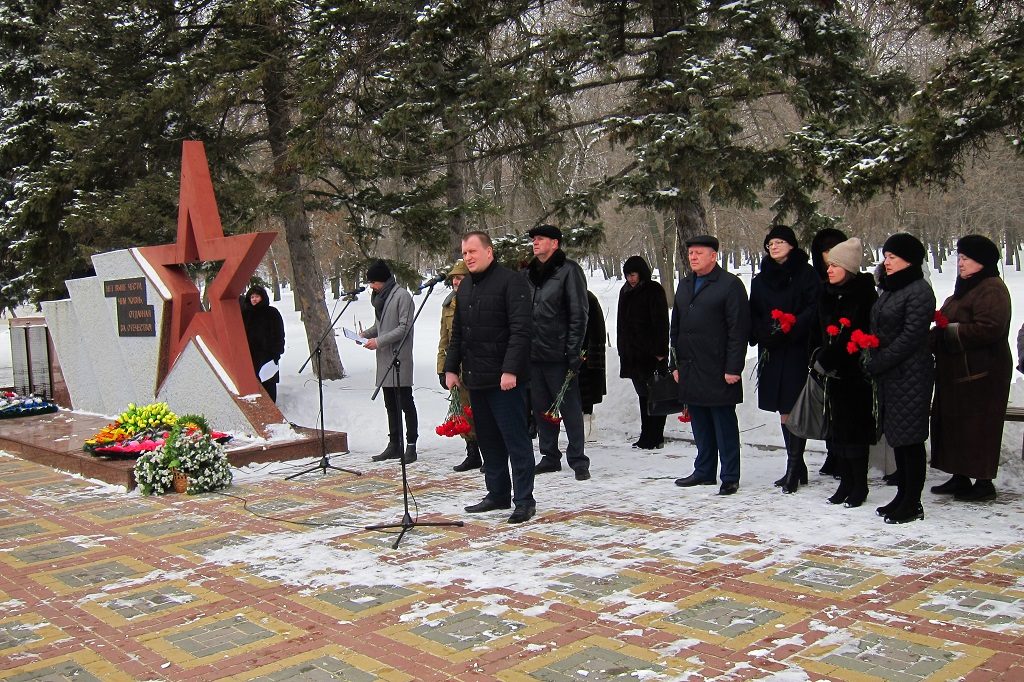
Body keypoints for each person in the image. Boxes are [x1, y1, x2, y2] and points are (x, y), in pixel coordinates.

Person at [444, 231, 536, 524]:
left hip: (505, 381)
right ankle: (497, 493)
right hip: (476, 378)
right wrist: (450, 368)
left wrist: (510, 369)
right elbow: (458, 333)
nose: (468, 257)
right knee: (488, 441)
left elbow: (521, 330)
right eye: (464, 253)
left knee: (515, 441)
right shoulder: (466, 287)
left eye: (472, 251)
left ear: (489, 252)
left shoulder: (511, 282)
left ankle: (524, 500)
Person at [930, 235, 1013, 502]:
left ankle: (983, 482)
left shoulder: (992, 289)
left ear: (982, 262)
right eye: (960, 258)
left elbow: (990, 328)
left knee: (979, 426)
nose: (961, 263)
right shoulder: (966, 287)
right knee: (957, 424)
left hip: (983, 373)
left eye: (966, 258)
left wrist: (950, 332)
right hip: (959, 372)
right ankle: (960, 475)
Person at [671, 235, 751, 495]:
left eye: (699, 253)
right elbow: (676, 327)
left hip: (718, 367)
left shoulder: (729, 285)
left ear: (713, 256)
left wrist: (733, 367)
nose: (693, 257)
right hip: (690, 366)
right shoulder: (685, 284)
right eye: (690, 253)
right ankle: (704, 470)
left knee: (723, 423)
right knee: (700, 423)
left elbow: (738, 330)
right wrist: (675, 363)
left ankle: (730, 476)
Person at [868, 233, 935, 524]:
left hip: (911, 374)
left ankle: (913, 502)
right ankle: (902, 495)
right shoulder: (891, 288)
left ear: (909, 260)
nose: (887, 262)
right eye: (886, 256)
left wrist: (880, 360)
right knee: (898, 436)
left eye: (893, 257)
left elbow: (911, 336)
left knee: (911, 439)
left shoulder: (919, 291)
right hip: (891, 374)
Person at [749, 225, 820, 493]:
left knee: (794, 405)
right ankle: (797, 465)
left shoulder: (806, 274)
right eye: (770, 243)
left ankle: (793, 467)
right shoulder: (760, 279)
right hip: (771, 348)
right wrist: (764, 332)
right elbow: (754, 311)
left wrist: (792, 326)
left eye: (779, 242)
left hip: (796, 347)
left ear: (791, 245)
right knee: (782, 407)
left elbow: (813, 307)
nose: (774, 246)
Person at [811, 238, 878, 507]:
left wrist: (830, 357)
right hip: (832, 375)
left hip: (855, 374)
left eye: (835, 266)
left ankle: (859, 484)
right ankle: (845, 481)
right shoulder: (827, 294)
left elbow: (857, 334)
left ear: (848, 268)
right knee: (838, 429)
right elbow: (820, 331)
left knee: (855, 430)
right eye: (829, 265)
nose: (829, 270)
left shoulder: (863, 295)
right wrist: (818, 356)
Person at [525, 224, 591, 481]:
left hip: (560, 353)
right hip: (533, 353)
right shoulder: (529, 273)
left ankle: (578, 459)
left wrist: (573, 350)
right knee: (542, 408)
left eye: (540, 238)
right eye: (534, 239)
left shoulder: (569, 271)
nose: (535, 242)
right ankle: (550, 455)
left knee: (569, 408)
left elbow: (579, 313)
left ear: (555, 243)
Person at [361, 260, 418, 464]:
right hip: (385, 358)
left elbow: (404, 327)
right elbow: (381, 326)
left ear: (383, 280)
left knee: (405, 403)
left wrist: (378, 341)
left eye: (374, 282)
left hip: (399, 357)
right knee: (390, 405)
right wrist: (365, 334)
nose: (371, 286)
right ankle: (394, 444)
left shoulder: (402, 296)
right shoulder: (380, 299)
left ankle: (411, 445)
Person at [617, 255, 670, 449]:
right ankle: (646, 434)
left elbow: (661, 322)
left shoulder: (653, 290)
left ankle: (656, 436)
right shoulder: (625, 291)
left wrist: (660, 351)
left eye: (633, 275)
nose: (630, 279)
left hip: (651, 354)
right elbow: (621, 323)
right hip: (632, 354)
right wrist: (622, 348)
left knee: (656, 394)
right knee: (643, 395)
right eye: (628, 275)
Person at [809, 227, 848, 478]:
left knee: (843, 411)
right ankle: (832, 452)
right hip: (821, 352)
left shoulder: (852, 283)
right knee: (826, 408)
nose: (829, 256)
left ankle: (843, 457)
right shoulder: (817, 282)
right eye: (825, 251)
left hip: (845, 355)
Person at [436, 259, 481, 472]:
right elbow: (444, 340)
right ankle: (473, 454)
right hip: (457, 368)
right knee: (463, 412)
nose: (455, 281)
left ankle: (491, 454)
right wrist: (442, 368)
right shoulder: (448, 305)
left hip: (478, 366)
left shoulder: (477, 300)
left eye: (460, 278)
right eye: (454, 278)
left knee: (481, 411)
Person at [241, 284, 285, 403]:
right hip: (250, 355)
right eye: (252, 297)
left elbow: (279, 333)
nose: (254, 299)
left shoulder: (272, 313)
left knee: (268, 382)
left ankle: (271, 407)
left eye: (257, 296)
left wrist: (276, 352)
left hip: (268, 355)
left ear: (262, 297)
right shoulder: (245, 314)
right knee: (253, 383)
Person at [579, 290, 607, 420]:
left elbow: (598, 332)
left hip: (586, 356)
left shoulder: (588, 299)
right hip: (567, 355)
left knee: (586, 400)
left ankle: (587, 423)